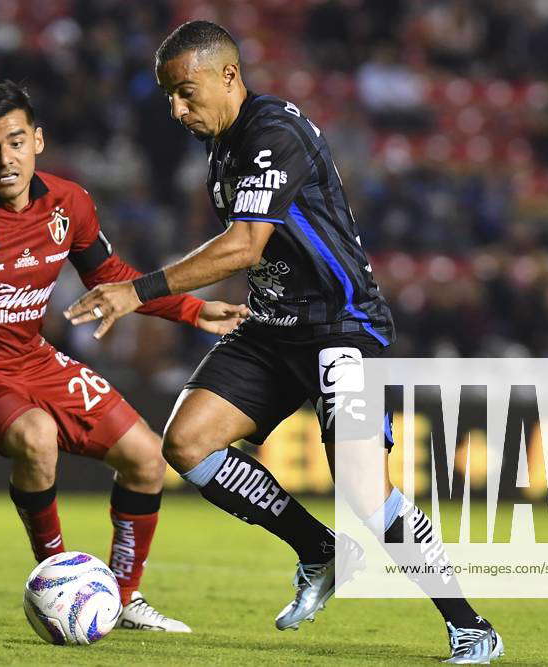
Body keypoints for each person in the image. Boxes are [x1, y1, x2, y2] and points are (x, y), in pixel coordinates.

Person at [64, 21, 504, 663]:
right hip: (273, 325)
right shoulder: (223, 144)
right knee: (185, 443)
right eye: (168, 98)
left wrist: (140, 292)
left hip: (339, 327)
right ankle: (321, 550)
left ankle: (471, 626)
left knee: (361, 486)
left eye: (186, 93)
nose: (177, 110)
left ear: (229, 76)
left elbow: (245, 246)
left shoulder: (274, 133)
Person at [0, 81, 248, 632]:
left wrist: (193, 310)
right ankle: (57, 583)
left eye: (17, 142)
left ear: (38, 141)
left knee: (147, 459)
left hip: (33, 360)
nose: (5, 159)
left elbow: (111, 278)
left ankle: (117, 600)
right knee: (37, 436)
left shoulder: (68, 203)